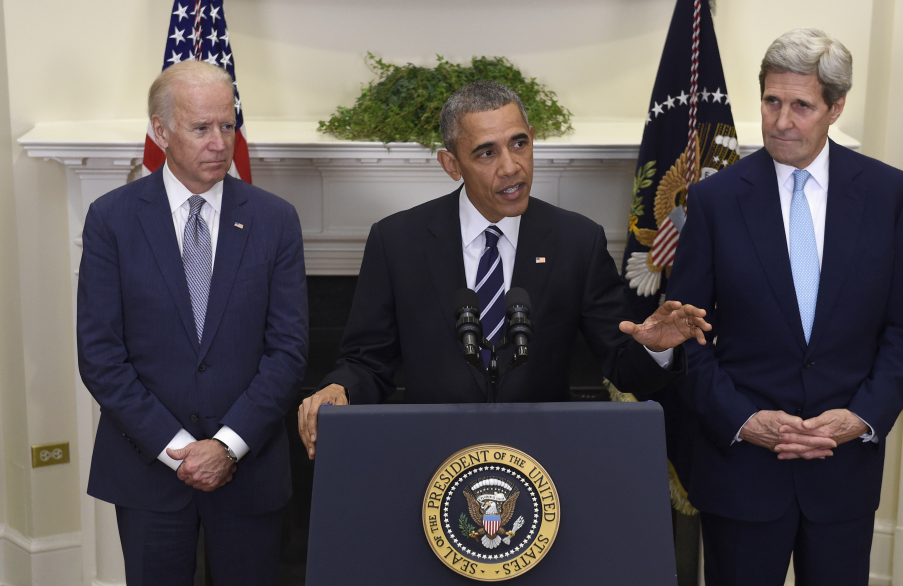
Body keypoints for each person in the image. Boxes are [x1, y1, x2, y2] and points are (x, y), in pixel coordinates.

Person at [297, 80, 711, 459]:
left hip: (543, 463)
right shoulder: (398, 241)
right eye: (487, 153)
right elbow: (367, 361)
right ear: (451, 164)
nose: (511, 166)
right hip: (429, 459)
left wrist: (655, 347)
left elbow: (622, 366)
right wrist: (340, 388)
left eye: (519, 144)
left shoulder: (576, 241)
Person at [666, 29, 903, 586]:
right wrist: (742, 420)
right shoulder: (713, 201)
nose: (781, 121)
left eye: (801, 105)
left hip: (843, 470)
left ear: (836, 107)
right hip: (742, 468)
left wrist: (861, 417)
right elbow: (688, 337)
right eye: (771, 102)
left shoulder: (888, 194)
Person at [77, 60, 308, 586]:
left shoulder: (276, 219)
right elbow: (100, 356)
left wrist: (226, 447)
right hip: (148, 471)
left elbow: (289, 351)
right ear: (161, 131)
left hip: (248, 471)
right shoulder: (111, 219)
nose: (220, 142)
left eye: (228, 125)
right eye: (201, 127)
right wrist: (181, 449)